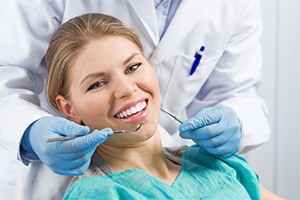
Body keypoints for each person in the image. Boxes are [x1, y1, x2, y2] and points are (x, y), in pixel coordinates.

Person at [0, 0, 270, 198]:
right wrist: (30, 130)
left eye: (133, 67)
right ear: (68, 107)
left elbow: (236, 92)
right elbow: (6, 69)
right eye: (97, 83)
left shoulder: (220, 167)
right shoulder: (102, 192)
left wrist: (236, 121)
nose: (128, 89)